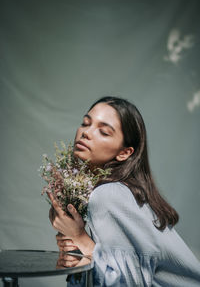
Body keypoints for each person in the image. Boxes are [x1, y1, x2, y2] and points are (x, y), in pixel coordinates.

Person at [48, 96, 200, 286]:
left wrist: (80, 238)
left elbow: (129, 282)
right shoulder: (118, 191)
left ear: (124, 153)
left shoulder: (109, 195)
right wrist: (78, 252)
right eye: (85, 123)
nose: (86, 133)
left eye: (103, 132)